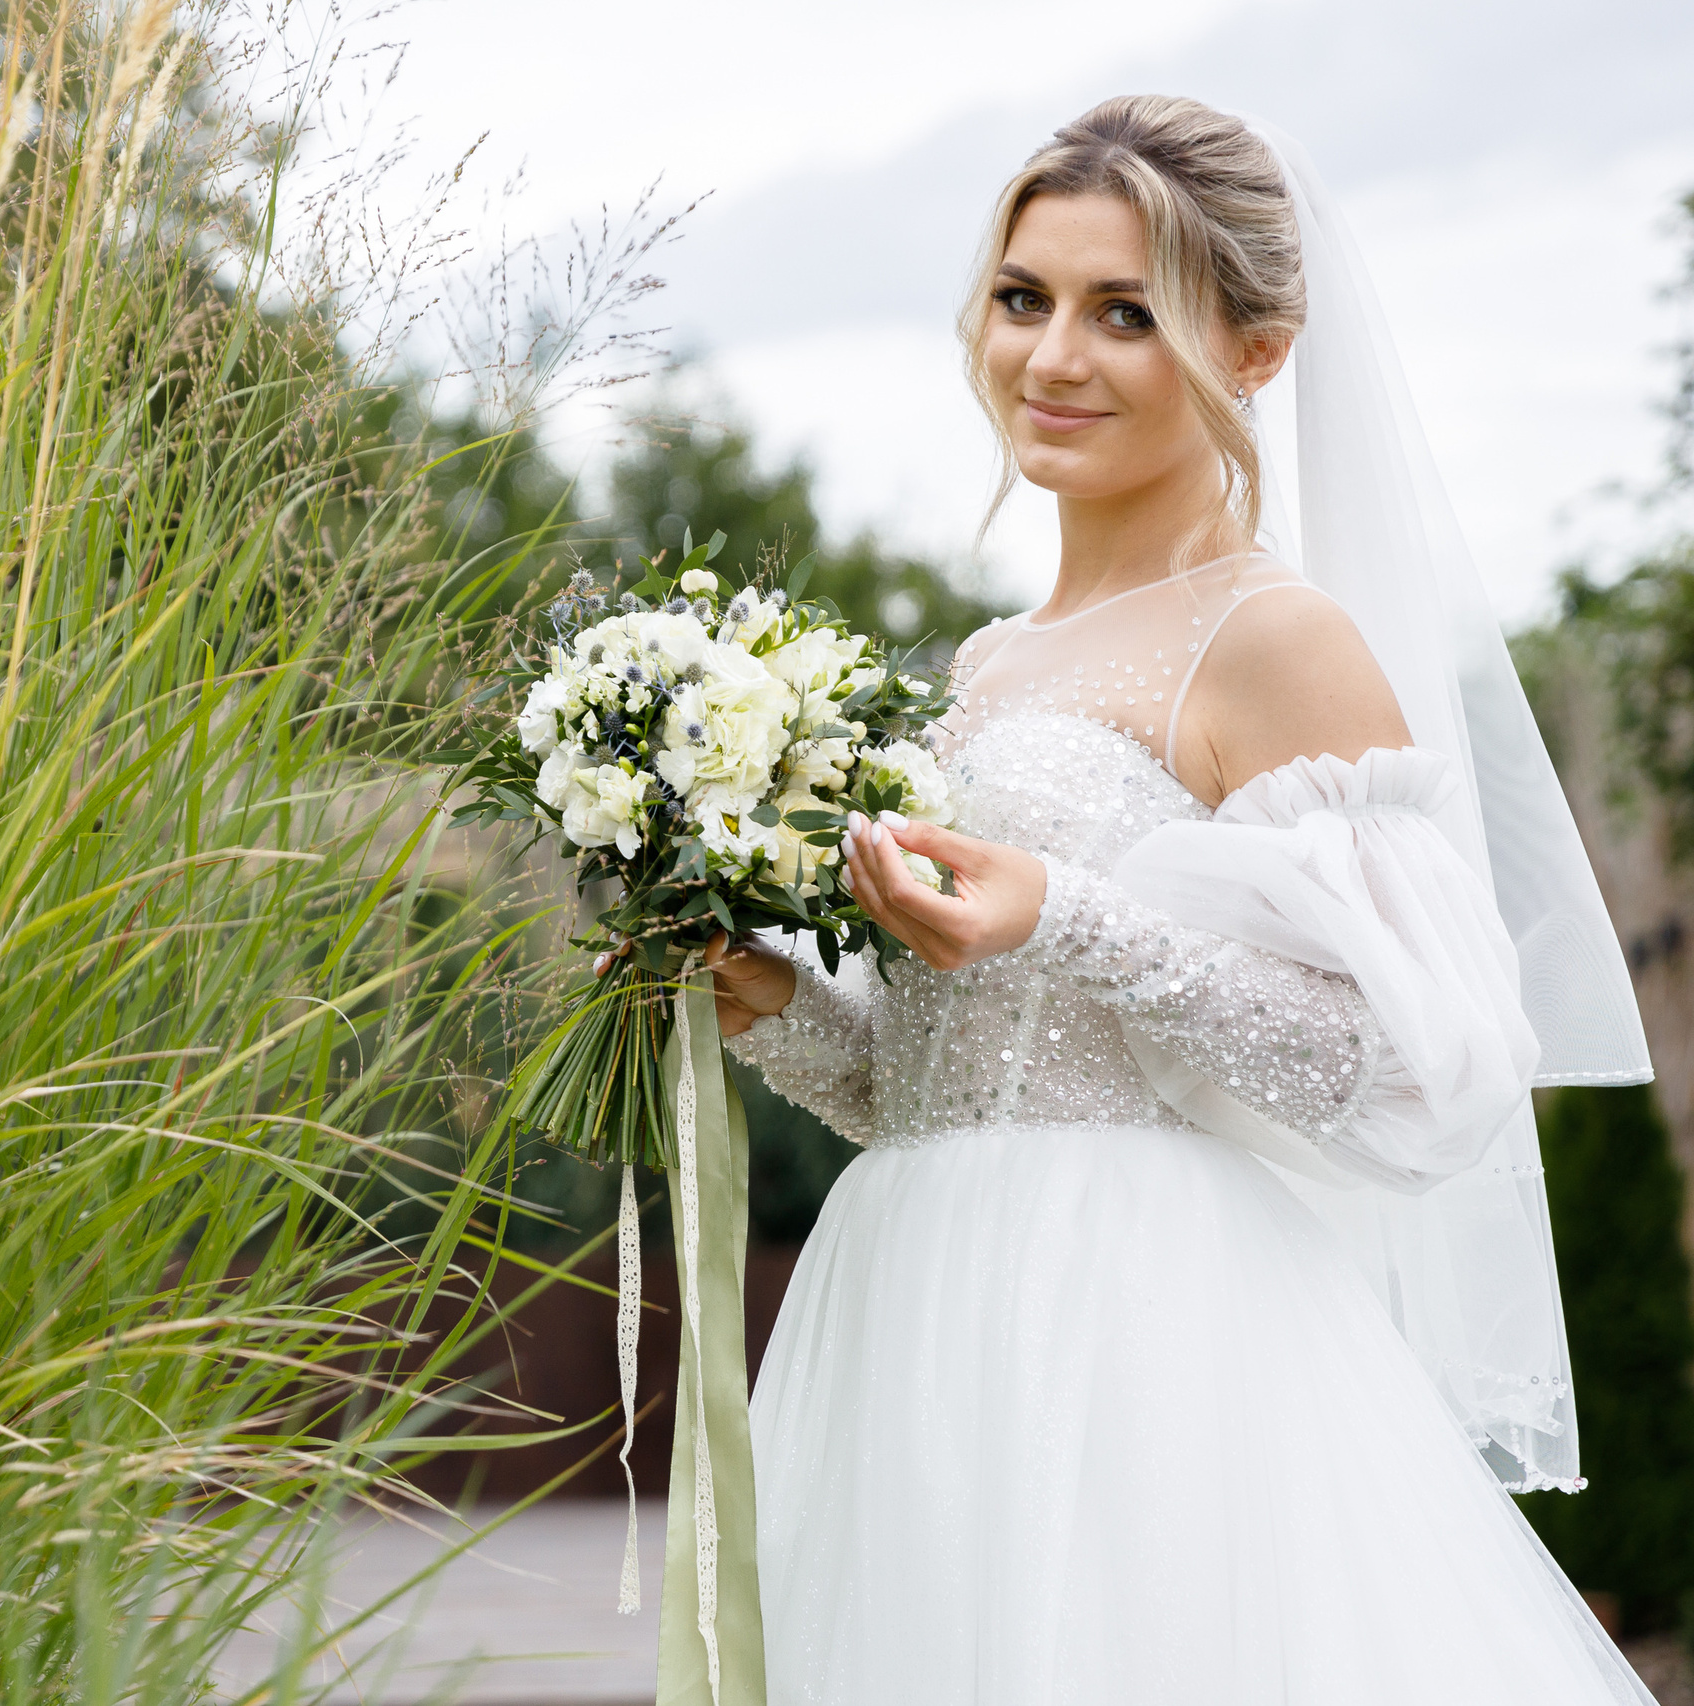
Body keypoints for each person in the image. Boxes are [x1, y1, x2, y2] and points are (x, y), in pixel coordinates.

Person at [686, 96, 1661, 1702]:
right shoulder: (986, 666)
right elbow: (942, 1087)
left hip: (1141, 1341)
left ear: (1256, 348)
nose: (1052, 356)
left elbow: (1418, 1073)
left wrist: (1072, 911)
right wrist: (781, 1005)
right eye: (1025, 297)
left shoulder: (1276, 640)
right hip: (915, 1310)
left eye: (1124, 312)